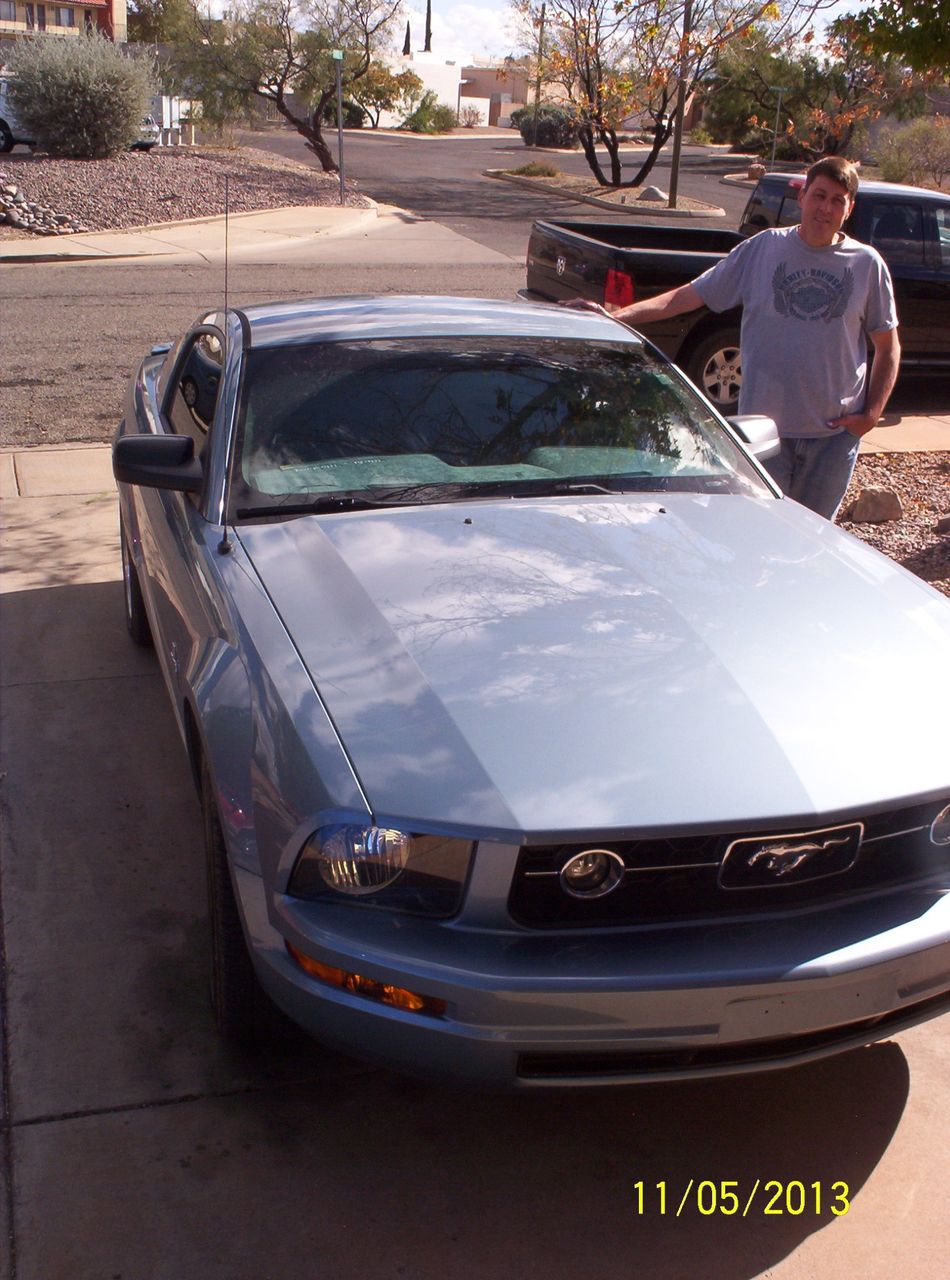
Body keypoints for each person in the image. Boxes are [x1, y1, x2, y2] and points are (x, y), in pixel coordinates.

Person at [568, 157, 901, 519]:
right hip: (764, 436)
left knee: (814, 544)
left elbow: (888, 346)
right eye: (819, 195)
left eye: (838, 200)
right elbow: (688, 296)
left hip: (833, 441)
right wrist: (615, 316)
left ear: (849, 208)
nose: (826, 207)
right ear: (802, 196)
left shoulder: (867, 264)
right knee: (760, 536)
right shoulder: (763, 250)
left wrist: (870, 414)